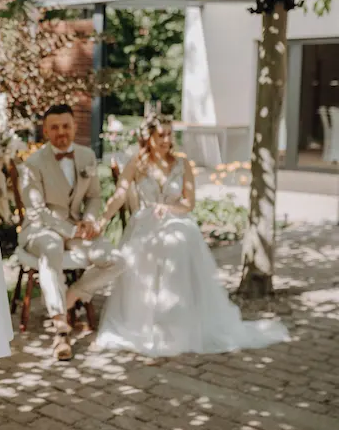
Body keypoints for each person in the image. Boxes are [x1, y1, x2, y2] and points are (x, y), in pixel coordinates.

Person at [94, 112, 290, 357]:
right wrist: (101, 221)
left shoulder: (182, 164)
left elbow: (188, 204)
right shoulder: (137, 163)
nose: (166, 140)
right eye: (160, 135)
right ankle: (146, 324)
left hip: (175, 218)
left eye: (169, 134)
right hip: (145, 222)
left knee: (177, 242)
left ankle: (177, 323)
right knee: (147, 246)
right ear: (149, 138)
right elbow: (120, 195)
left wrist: (169, 209)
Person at [19, 104, 125, 361]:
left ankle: (69, 298)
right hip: (41, 229)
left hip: (78, 229)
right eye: (54, 127)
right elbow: (36, 210)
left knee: (117, 259)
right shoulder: (33, 163)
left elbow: (94, 196)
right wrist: (69, 230)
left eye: (66, 126)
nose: (61, 132)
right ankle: (60, 330)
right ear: (45, 130)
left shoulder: (87, 156)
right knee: (52, 248)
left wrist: (89, 220)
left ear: (74, 126)